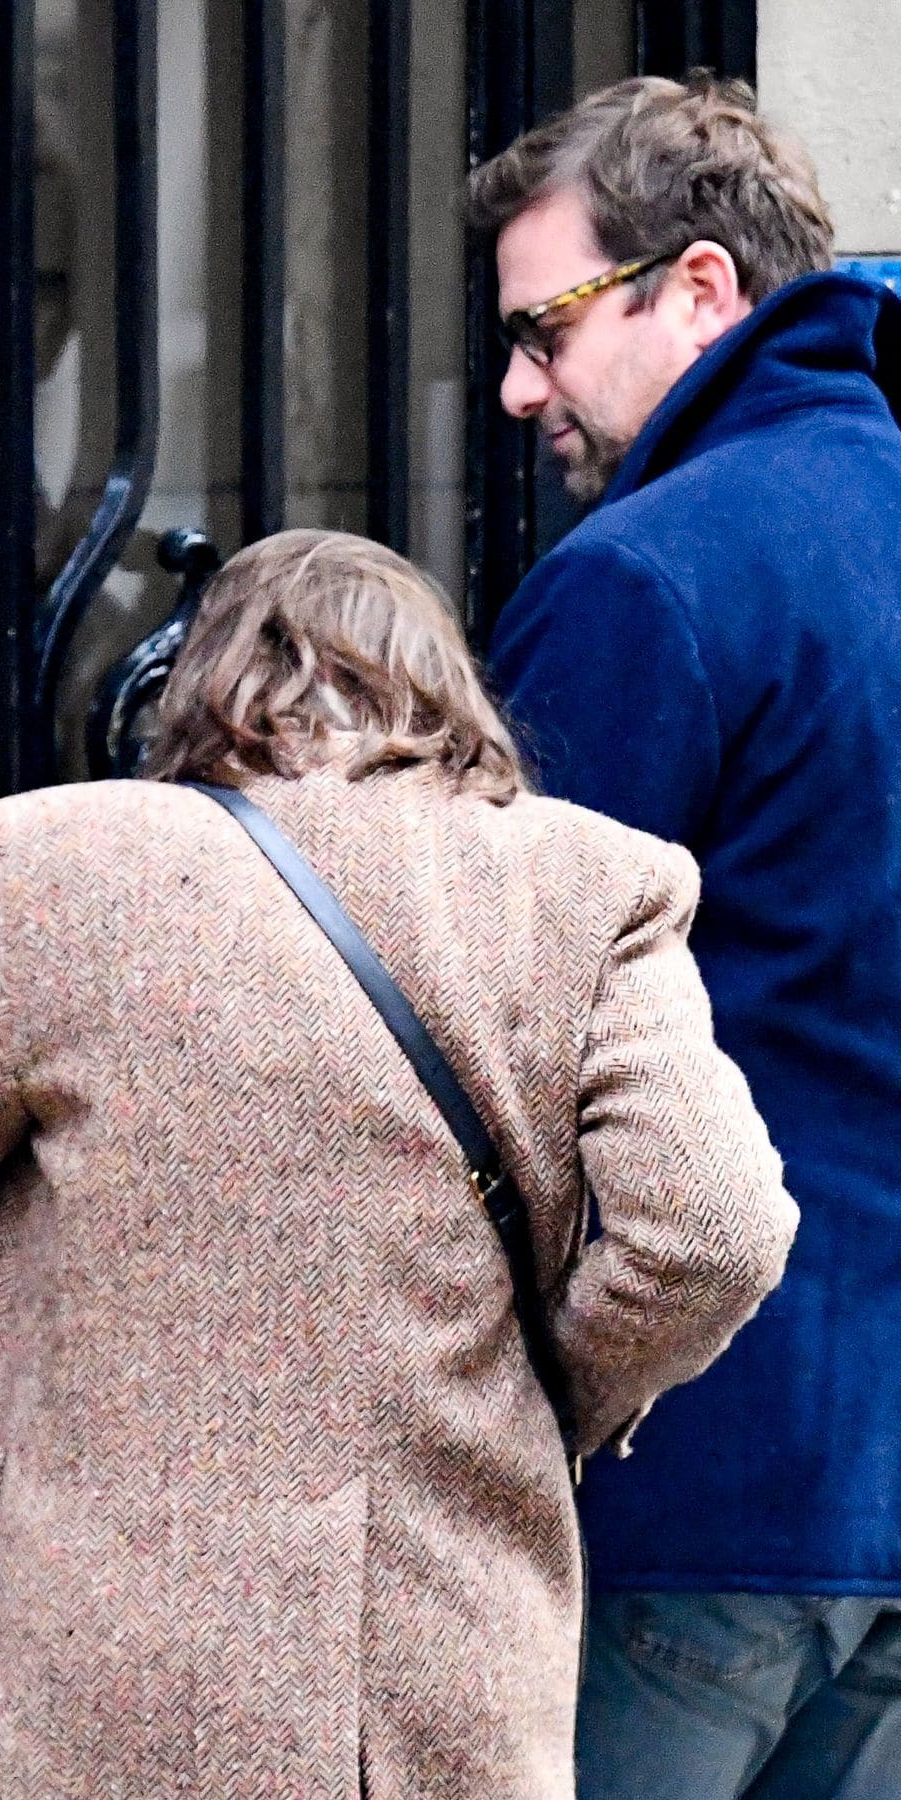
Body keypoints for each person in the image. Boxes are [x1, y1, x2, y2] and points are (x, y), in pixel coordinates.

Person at [0, 529, 794, 1798]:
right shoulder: (587, 884)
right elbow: (712, 1234)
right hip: (427, 1689)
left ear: (204, 681)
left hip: (83, 1681)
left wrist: (107, 1323)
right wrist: (540, 1382)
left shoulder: (55, 868)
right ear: (445, 685)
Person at [469, 71, 901, 1799]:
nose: (518, 389)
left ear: (702, 287)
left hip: (697, 1489)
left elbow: (505, 1037)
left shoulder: (646, 576)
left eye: (544, 330)